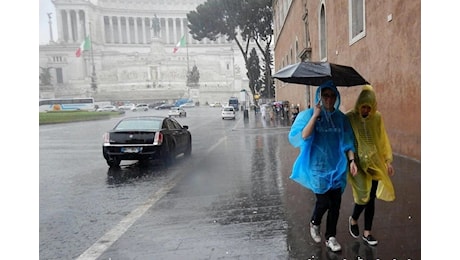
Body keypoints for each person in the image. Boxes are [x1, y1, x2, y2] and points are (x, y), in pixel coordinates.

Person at [288, 80, 357, 252]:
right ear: (320, 96)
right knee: (323, 201)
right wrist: (315, 116)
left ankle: (331, 237)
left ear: (336, 97)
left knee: (335, 204)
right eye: (326, 95)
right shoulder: (310, 115)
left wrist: (352, 160)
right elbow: (303, 136)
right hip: (317, 167)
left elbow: (348, 142)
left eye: (333, 95)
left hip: (337, 167)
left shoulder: (341, 119)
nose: (329, 99)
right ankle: (315, 221)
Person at [346, 85, 395, 246]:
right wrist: (351, 159)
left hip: (374, 162)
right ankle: (353, 219)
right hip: (358, 163)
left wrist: (387, 161)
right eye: (363, 107)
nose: (365, 110)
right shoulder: (350, 117)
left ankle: (367, 232)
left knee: (371, 198)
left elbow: (382, 138)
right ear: (359, 105)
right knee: (363, 197)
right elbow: (346, 139)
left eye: (369, 107)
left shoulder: (377, 117)